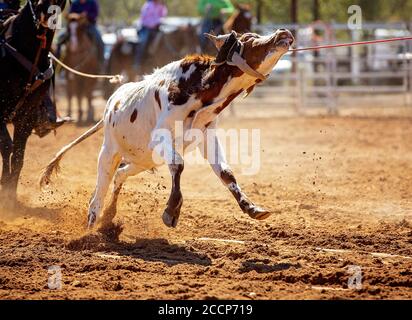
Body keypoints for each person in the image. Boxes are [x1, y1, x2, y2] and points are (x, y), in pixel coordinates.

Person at [57, 0, 104, 68]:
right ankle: (57, 64)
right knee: (60, 39)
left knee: (100, 41)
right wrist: (73, 16)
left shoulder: (92, 2)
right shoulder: (75, 3)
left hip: (89, 26)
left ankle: (101, 65)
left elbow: (95, 14)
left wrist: (86, 15)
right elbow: (70, 14)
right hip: (74, 27)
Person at [134, 0, 168, 71]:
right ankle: (137, 63)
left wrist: (163, 6)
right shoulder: (148, 5)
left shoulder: (160, 6)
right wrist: (157, 21)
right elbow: (144, 19)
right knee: (143, 41)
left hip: (156, 29)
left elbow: (163, 15)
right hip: (146, 28)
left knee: (166, 40)